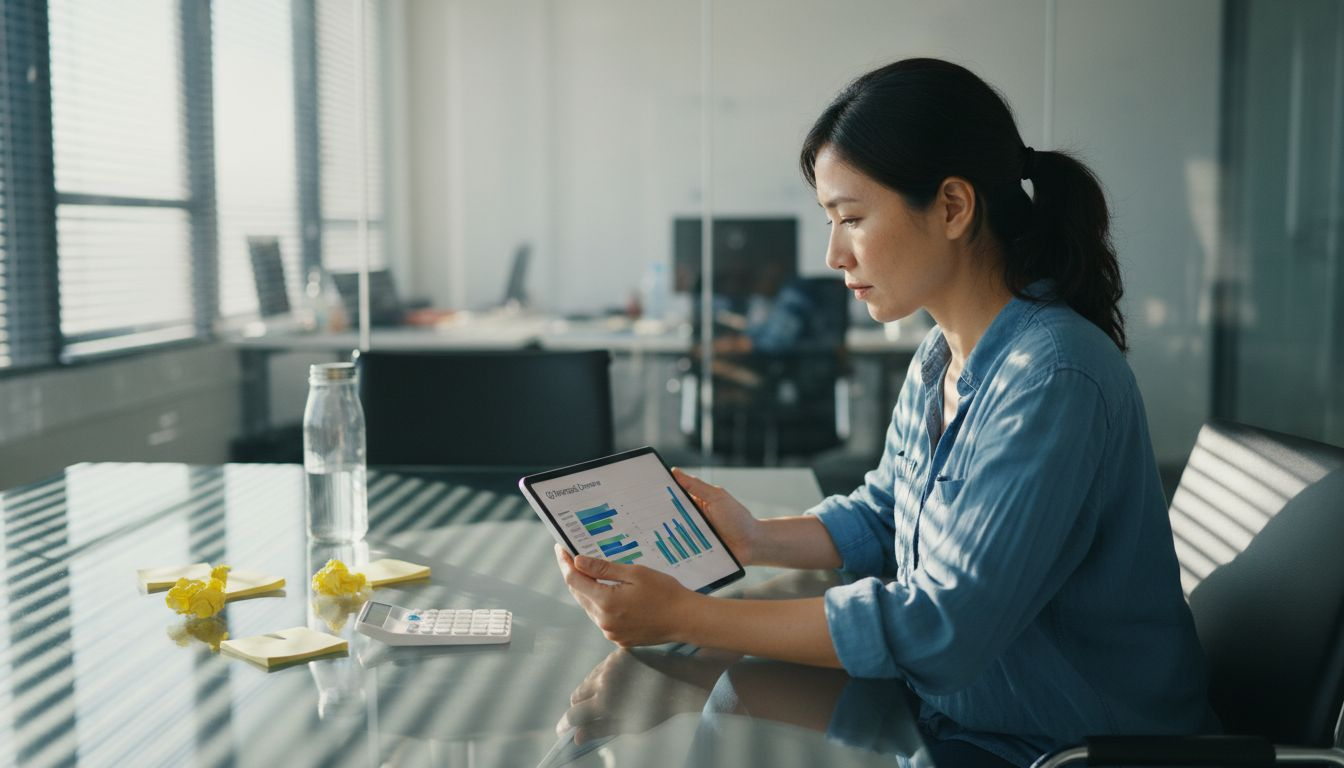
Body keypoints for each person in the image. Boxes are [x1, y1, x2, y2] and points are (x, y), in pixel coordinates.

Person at [555, 57, 1217, 767]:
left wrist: (691, 614)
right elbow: (887, 514)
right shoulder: (942, 356)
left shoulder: (1053, 377)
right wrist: (752, 537)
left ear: (954, 208)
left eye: (852, 217)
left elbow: (942, 627)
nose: (835, 253)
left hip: (1053, 745)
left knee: (724, 698)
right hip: (963, 713)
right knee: (735, 699)